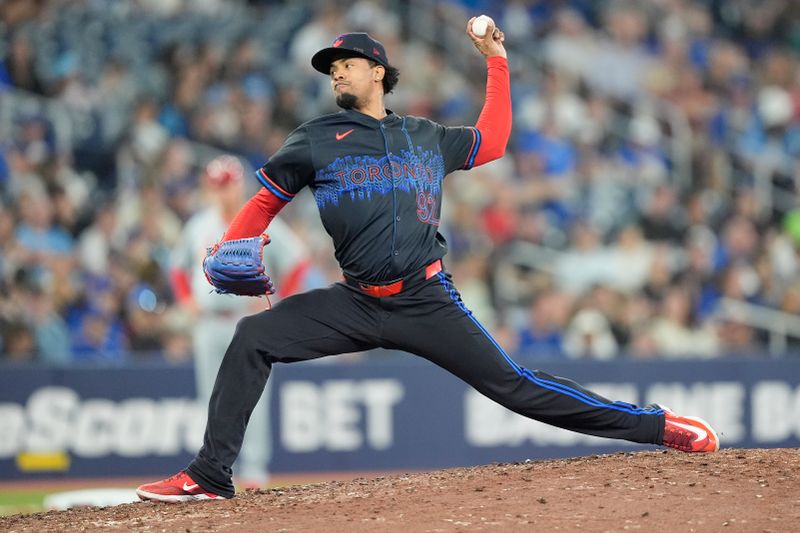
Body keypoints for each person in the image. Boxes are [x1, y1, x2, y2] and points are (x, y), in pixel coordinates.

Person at [137, 19, 719, 503]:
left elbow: (491, 141)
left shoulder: (425, 135)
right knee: (252, 338)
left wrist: (497, 62)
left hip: (425, 298)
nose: (336, 69)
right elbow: (265, 200)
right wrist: (229, 243)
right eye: (331, 65)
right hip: (357, 301)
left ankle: (656, 426)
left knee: (517, 387)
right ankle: (210, 474)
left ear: (379, 72)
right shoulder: (315, 138)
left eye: (346, 61)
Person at [168, 155, 314, 489]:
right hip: (208, 322)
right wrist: (186, 300)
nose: (224, 192)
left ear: (240, 184)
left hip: (248, 322)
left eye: (228, 184)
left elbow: (299, 262)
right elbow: (176, 268)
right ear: (208, 188)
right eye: (217, 185)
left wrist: (279, 305)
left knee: (253, 397)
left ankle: (254, 471)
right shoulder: (198, 225)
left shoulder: (261, 220)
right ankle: (211, 468)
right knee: (212, 397)